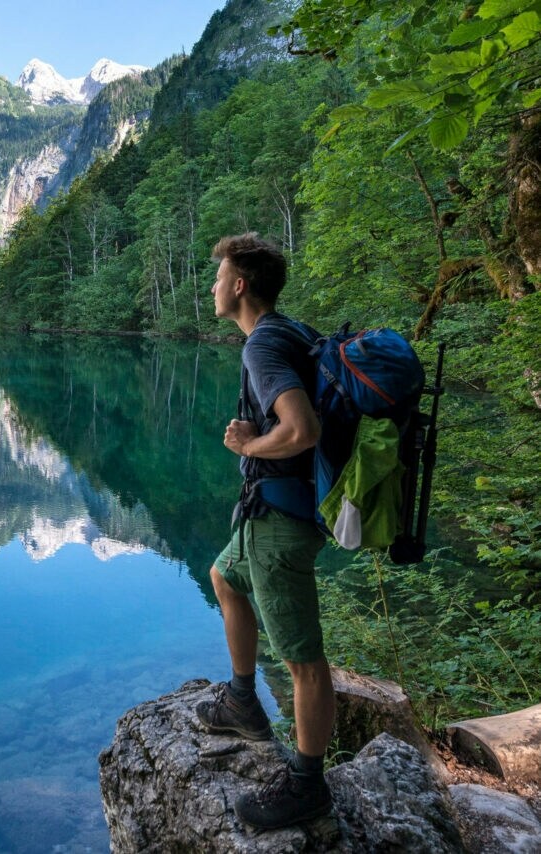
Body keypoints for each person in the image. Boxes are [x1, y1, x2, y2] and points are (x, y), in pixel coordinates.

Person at [195, 233, 336, 830]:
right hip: (271, 513)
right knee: (224, 577)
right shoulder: (290, 331)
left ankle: (307, 785)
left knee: (303, 661)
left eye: (218, 277)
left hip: (280, 522)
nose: (212, 287)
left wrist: (250, 445)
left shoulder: (263, 346)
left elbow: (301, 429)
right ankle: (243, 701)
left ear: (239, 285)